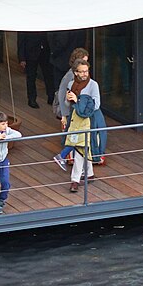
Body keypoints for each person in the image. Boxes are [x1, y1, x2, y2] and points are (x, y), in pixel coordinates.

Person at [62, 61, 99, 192]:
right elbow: (68, 105)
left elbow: (96, 105)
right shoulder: (71, 84)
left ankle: (75, 180)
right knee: (83, 148)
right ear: (75, 72)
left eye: (86, 71)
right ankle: (90, 174)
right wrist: (68, 99)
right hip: (74, 120)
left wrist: (78, 100)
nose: (84, 74)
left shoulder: (93, 85)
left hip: (87, 121)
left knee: (79, 148)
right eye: (81, 71)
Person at [17, 31, 54, 109]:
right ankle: (32, 99)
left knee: (48, 75)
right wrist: (22, 58)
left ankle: (51, 96)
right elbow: (21, 40)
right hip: (30, 53)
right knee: (31, 76)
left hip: (45, 51)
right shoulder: (25, 23)